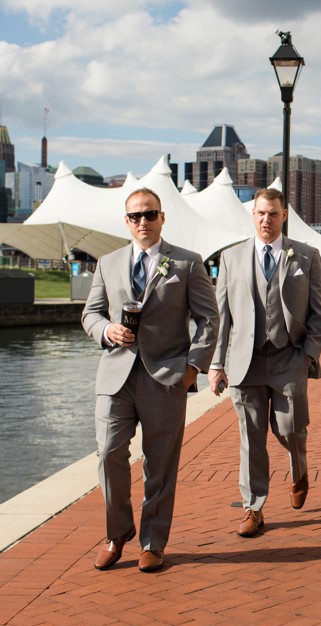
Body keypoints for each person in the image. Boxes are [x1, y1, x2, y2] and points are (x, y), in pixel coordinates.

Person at [82, 187, 219, 573]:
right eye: (135, 216)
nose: (143, 221)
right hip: (115, 376)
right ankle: (117, 531)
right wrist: (106, 330)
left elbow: (209, 319)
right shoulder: (107, 263)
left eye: (150, 214)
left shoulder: (188, 263)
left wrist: (193, 368)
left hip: (166, 378)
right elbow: (90, 314)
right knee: (109, 453)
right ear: (126, 222)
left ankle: (153, 542)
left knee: (160, 464)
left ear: (162, 218)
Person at [209, 188, 321, 538]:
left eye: (273, 214)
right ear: (253, 215)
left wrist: (308, 354)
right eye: (260, 213)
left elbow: (319, 314)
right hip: (245, 362)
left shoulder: (306, 256)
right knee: (252, 438)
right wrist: (217, 365)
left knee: (291, 429)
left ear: (283, 215)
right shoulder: (231, 258)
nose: (266, 220)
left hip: (288, 357)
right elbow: (222, 316)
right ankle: (253, 507)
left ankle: (299, 469)